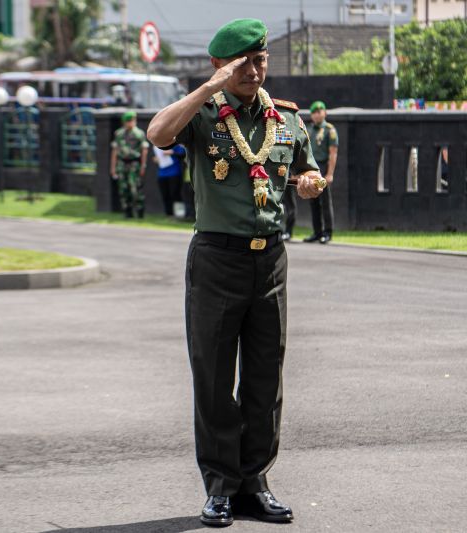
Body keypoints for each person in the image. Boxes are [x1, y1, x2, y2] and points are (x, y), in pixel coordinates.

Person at [146, 18, 324, 528]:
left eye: (261, 60)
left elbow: (306, 172)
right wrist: (210, 88)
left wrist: (311, 184)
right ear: (220, 65)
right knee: (214, 376)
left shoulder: (287, 120)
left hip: (269, 259)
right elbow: (158, 133)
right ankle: (220, 488)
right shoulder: (203, 115)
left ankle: (256, 483)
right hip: (216, 260)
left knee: (266, 378)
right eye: (243, 62)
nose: (254, 69)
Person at [303, 101, 339, 244]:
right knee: (313, 200)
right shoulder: (309, 130)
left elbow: (333, 153)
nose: (317, 114)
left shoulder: (330, 130)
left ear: (325, 113)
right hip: (312, 168)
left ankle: (328, 232)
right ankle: (317, 232)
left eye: (320, 111)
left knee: (325, 201)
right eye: (314, 112)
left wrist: (330, 173)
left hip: (323, 167)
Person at [110, 110, 149, 218]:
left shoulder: (139, 133)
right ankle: (127, 211)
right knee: (123, 188)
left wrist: (143, 165)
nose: (130, 123)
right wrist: (113, 167)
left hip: (134, 164)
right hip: (122, 164)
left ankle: (140, 211)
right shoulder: (119, 133)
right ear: (124, 122)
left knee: (135, 188)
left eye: (132, 120)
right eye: (128, 121)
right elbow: (115, 150)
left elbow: (144, 150)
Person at [153, 144, 185, 216]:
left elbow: (183, 153)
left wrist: (172, 152)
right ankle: (169, 214)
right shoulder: (157, 144)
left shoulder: (175, 143)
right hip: (162, 174)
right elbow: (156, 156)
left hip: (174, 173)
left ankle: (180, 214)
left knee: (175, 194)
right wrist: (156, 159)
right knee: (165, 195)